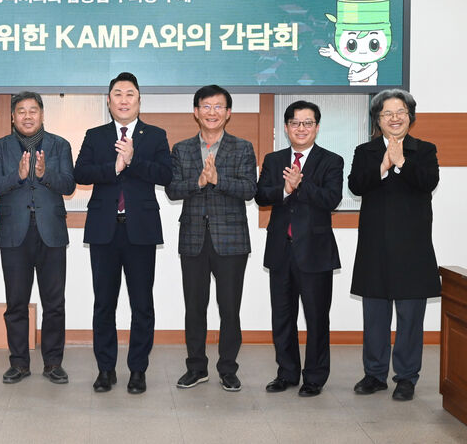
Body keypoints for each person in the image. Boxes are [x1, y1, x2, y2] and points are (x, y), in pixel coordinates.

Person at [74, 72, 172, 394]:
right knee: (104, 303)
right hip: (104, 230)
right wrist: (113, 168)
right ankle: (105, 369)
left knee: (142, 304)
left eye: (130, 94)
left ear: (139, 100)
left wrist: (132, 161)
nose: (124, 100)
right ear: (109, 100)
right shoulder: (96, 135)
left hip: (140, 231)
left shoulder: (155, 135)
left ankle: (138, 370)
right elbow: (80, 173)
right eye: (118, 94)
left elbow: (166, 175)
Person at [349, 89, 440, 402]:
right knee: (375, 316)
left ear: (410, 116)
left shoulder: (424, 150)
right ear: (378, 119)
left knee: (410, 319)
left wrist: (401, 162)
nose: (395, 118)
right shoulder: (365, 151)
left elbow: (428, 182)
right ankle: (374, 375)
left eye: (400, 112)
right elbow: (356, 185)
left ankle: (406, 377)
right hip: (375, 246)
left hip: (412, 248)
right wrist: (383, 166)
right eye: (387, 113)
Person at [165, 84, 256, 392]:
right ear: (196, 112)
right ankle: (196, 367)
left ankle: (228, 369)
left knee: (229, 308)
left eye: (219, 107)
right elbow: (172, 189)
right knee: (194, 307)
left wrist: (218, 180)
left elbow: (249, 189)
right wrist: (198, 181)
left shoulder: (242, 147)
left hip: (231, 240)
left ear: (228, 113)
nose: (212, 112)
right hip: (193, 238)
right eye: (206, 106)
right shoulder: (181, 149)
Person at [255, 101, 344, 397]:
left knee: (317, 318)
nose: (301, 128)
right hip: (281, 250)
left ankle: (314, 377)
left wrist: (300, 185)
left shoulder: (331, 160)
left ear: (317, 127)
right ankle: (287, 373)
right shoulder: (274, 159)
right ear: (286, 127)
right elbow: (261, 195)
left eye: (307, 123)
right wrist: (285, 189)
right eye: (295, 123)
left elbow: (331, 199)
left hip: (315, 252)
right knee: (282, 317)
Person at [0, 91, 76, 385]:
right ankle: (19, 363)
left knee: (55, 303)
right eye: (21, 111)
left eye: (33, 110)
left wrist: (44, 173)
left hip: (52, 233)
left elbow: (68, 184)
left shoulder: (60, 145)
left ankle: (53, 363)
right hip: (15, 234)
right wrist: (18, 175)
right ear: (13, 117)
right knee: (16, 303)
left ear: (42, 114)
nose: (27, 116)